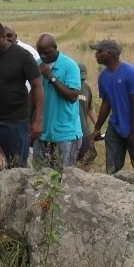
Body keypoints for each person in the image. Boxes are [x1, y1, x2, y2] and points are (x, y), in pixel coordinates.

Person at [0, 21, 43, 176]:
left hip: (15, 121)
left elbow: (38, 87)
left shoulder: (23, 56)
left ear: (4, 37)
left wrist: (37, 120)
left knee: (17, 165)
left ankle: (14, 192)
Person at [91, 39, 134, 173]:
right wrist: (97, 128)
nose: (96, 54)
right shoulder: (102, 76)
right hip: (116, 126)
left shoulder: (131, 73)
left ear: (109, 53)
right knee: (112, 168)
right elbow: (106, 103)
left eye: (99, 51)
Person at [33, 33, 82, 169]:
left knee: (63, 176)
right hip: (42, 132)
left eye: (47, 52)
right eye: (40, 52)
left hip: (65, 134)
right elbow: (33, 95)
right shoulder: (37, 64)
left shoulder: (70, 66)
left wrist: (51, 77)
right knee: (39, 176)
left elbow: (73, 96)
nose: (43, 56)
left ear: (55, 48)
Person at [75, 63, 98, 166]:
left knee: (87, 161)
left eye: (83, 79)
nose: (81, 82)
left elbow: (90, 108)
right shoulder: (65, 87)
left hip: (84, 131)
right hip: (70, 133)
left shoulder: (86, 88)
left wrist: (97, 126)